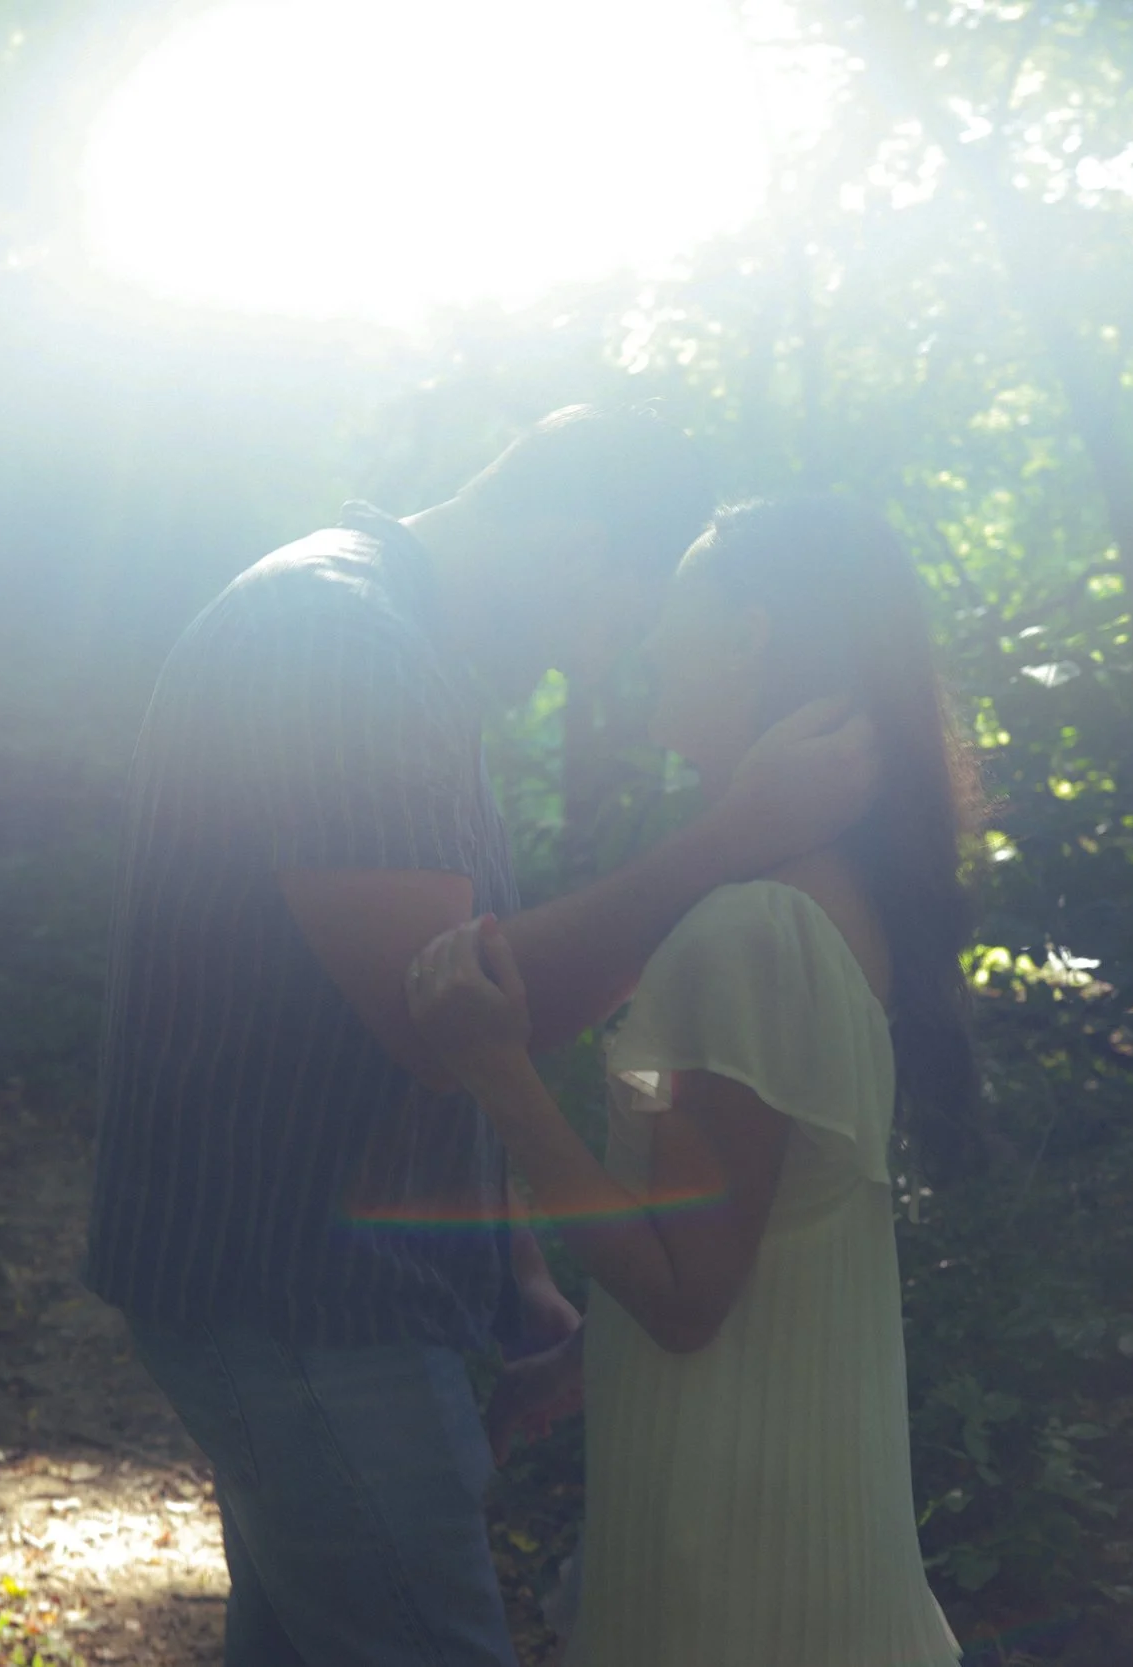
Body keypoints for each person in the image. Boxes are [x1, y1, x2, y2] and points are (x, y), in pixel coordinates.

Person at [82, 408, 881, 1667]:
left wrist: (511, 1264)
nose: (589, 669)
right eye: (613, 626)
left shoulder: (379, 645)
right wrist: (731, 834)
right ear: (579, 551)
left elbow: (434, 1017)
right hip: (299, 1294)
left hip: (323, 1287)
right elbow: (438, 1016)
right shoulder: (339, 641)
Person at [407, 497, 976, 1667]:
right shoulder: (832, 898)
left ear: (746, 633)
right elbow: (759, 1230)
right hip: (790, 1508)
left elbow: (685, 1290)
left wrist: (497, 1071)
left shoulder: (753, 929)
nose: (653, 638)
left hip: (737, 1550)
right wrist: (577, 1361)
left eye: (676, 604)